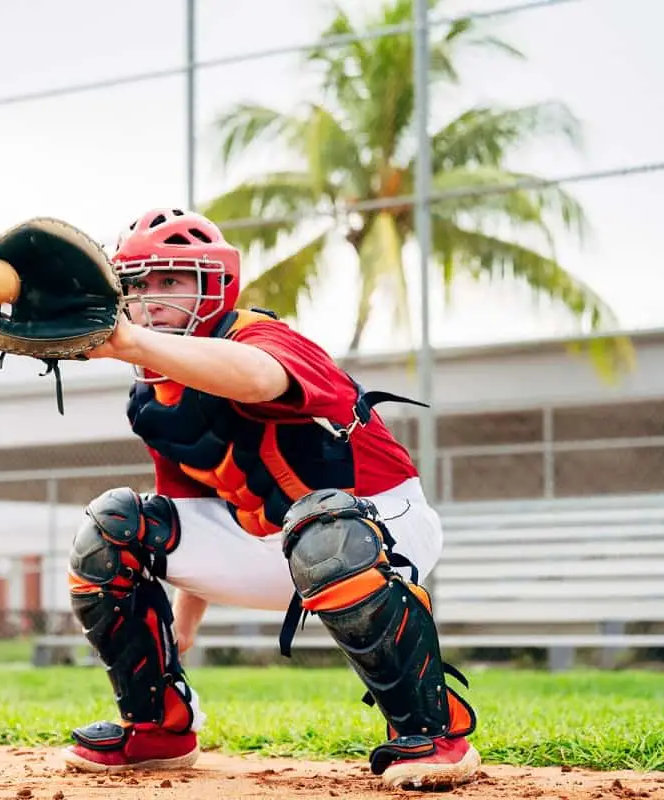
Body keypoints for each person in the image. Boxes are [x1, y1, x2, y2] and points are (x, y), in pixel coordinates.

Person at [59, 208, 479, 789]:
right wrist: (182, 625)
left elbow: (256, 379)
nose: (151, 299)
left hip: (382, 524)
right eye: (136, 285)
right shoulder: (152, 396)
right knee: (113, 524)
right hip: (271, 541)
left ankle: (435, 733)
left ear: (216, 285)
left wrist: (128, 340)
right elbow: (188, 503)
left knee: (321, 526)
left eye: (171, 281)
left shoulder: (264, 337)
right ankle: (158, 727)